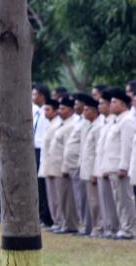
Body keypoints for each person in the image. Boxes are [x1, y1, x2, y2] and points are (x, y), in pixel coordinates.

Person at [100, 88, 136, 239]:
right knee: (118, 200)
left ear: (123, 104)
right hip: (112, 167)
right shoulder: (117, 121)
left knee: (126, 200)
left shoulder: (127, 121)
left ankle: (129, 229)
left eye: (114, 102)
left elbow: (126, 145)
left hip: (120, 168)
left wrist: (123, 167)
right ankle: (123, 227)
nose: (111, 105)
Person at [61, 94, 91, 235]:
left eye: (78, 103)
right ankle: (84, 225)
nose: (75, 106)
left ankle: (87, 226)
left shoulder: (85, 122)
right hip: (73, 165)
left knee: (83, 199)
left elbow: (84, 146)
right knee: (79, 198)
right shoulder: (79, 120)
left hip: (79, 165)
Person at [49, 95, 78, 233]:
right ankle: (63, 223)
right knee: (60, 198)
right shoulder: (63, 124)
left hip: (63, 167)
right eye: (59, 108)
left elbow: (69, 149)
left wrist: (66, 168)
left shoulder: (71, 126)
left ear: (71, 110)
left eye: (63, 108)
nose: (59, 111)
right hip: (56, 167)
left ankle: (70, 225)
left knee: (67, 199)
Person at [94, 89, 120, 238]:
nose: (100, 106)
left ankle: (115, 228)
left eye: (103, 103)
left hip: (112, 167)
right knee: (105, 201)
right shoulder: (105, 122)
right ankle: (109, 227)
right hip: (102, 166)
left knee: (115, 201)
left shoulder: (114, 121)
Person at [78, 93, 103, 237]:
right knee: (89, 202)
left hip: (93, 170)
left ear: (94, 111)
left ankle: (98, 228)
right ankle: (91, 227)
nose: (84, 112)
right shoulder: (88, 125)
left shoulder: (98, 126)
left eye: (86, 109)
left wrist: (94, 172)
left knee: (95, 202)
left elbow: (97, 152)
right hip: (86, 169)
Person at [38, 98, 62, 232]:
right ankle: (55, 221)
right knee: (49, 196)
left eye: (48, 110)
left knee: (57, 197)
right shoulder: (50, 124)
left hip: (54, 165)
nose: (45, 113)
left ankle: (58, 220)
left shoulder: (58, 124)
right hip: (46, 164)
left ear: (55, 111)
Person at [32, 83, 53, 227]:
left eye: (35, 94)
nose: (32, 97)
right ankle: (40, 214)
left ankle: (47, 216)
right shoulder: (37, 112)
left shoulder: (47, 112)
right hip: (35, 149)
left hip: (42, 150)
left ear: (42, 96)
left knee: (43, 185)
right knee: (37, 185)